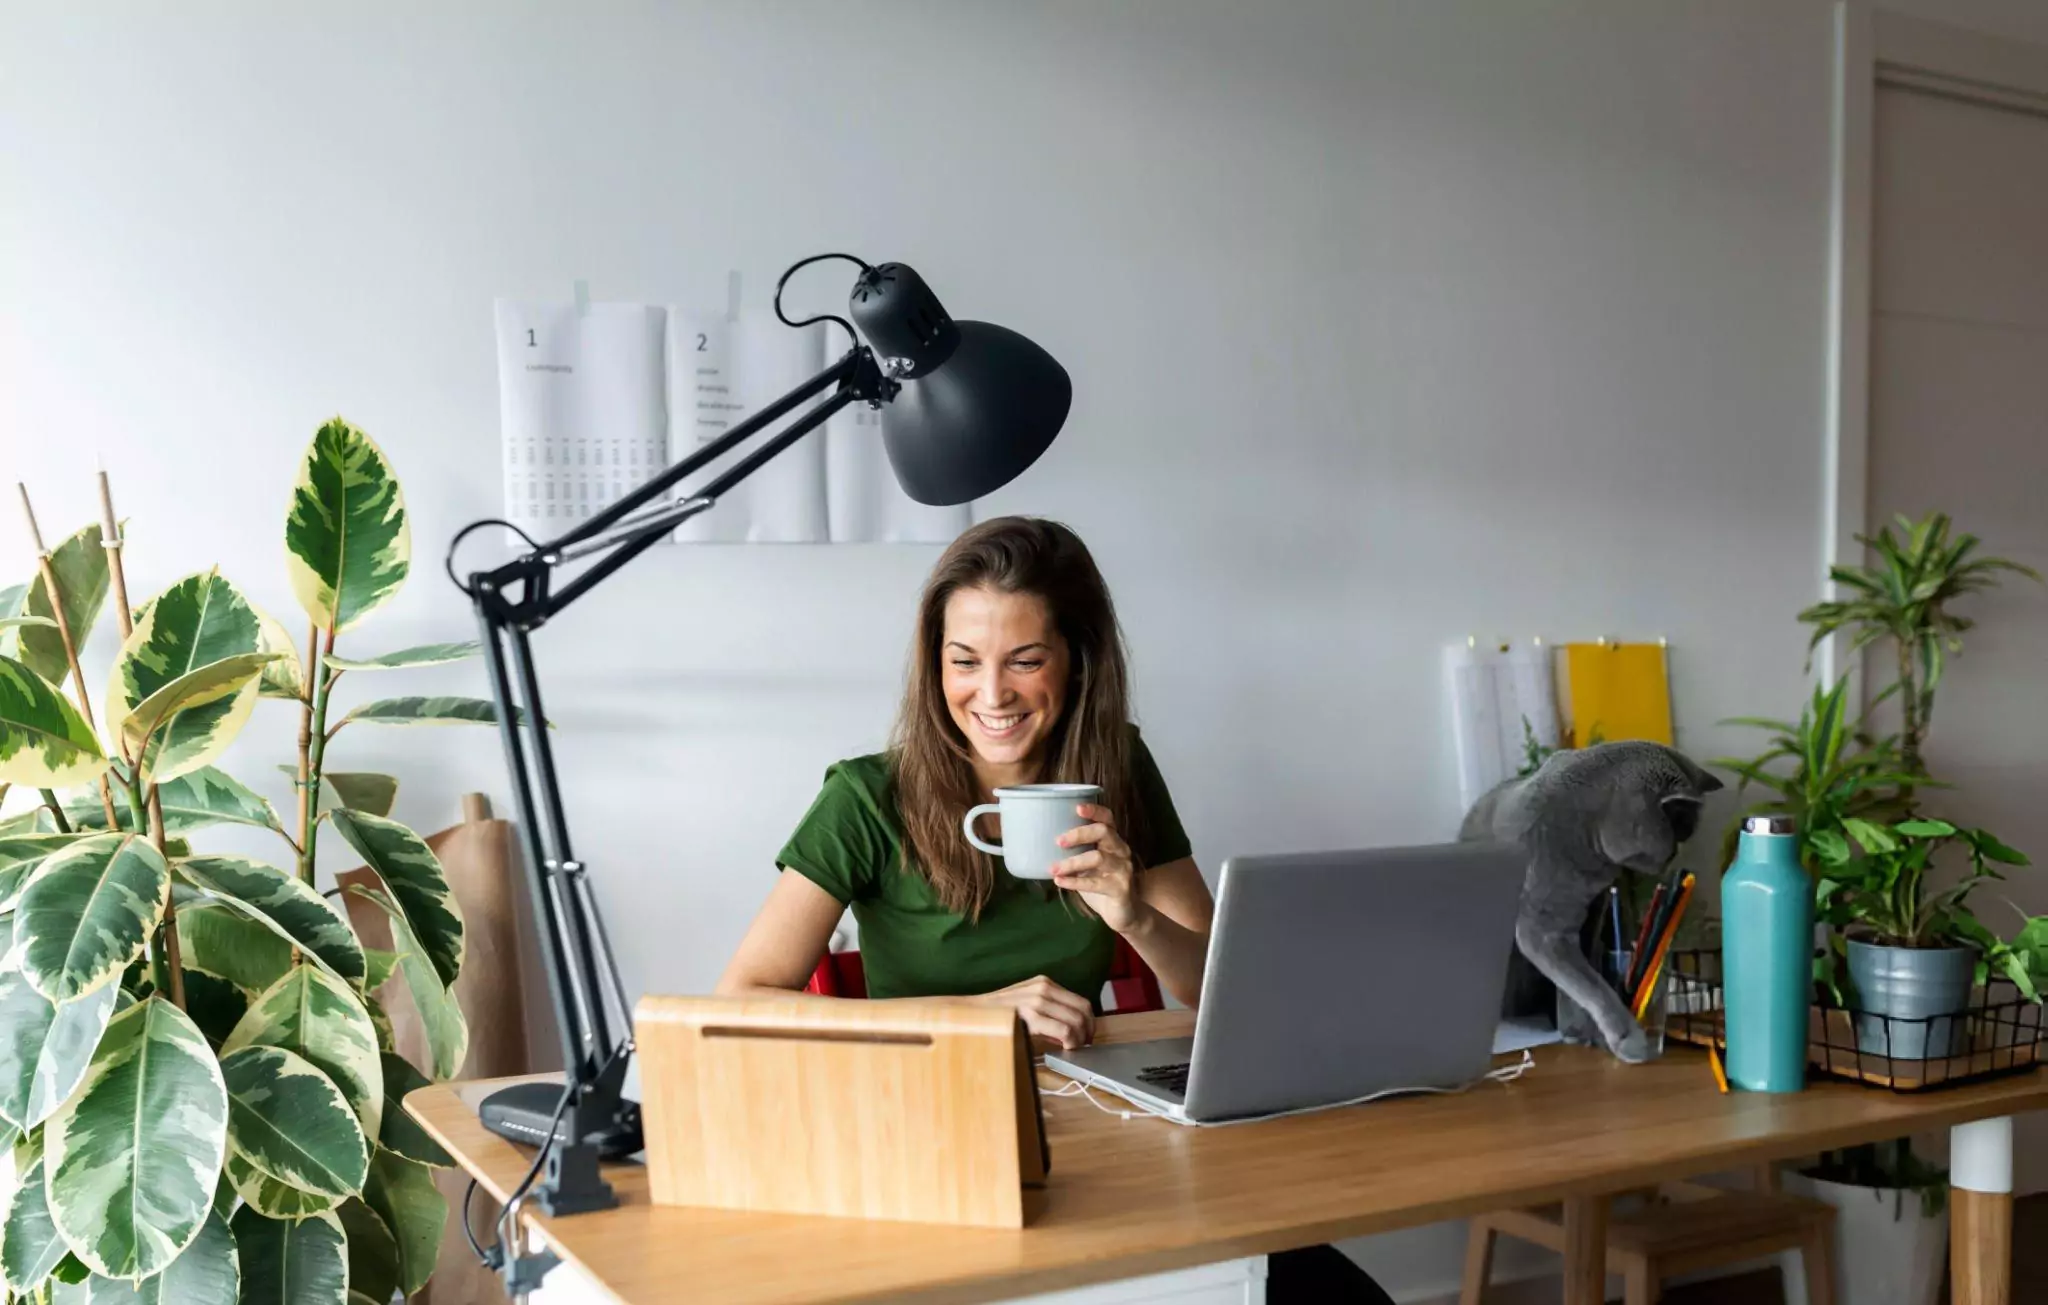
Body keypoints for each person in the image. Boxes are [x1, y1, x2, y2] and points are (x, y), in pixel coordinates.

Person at [718, 516, 1393, 1305]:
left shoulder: (1118, 767)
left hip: (1094, 1128)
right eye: (964, 660)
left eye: (1025, 660)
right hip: (931, 1138)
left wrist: (1135, 914)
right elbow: (740, 1003)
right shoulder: (866, 798)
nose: (992, 693)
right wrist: (978, 1014)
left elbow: (1224, 992)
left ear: (1077, 660)